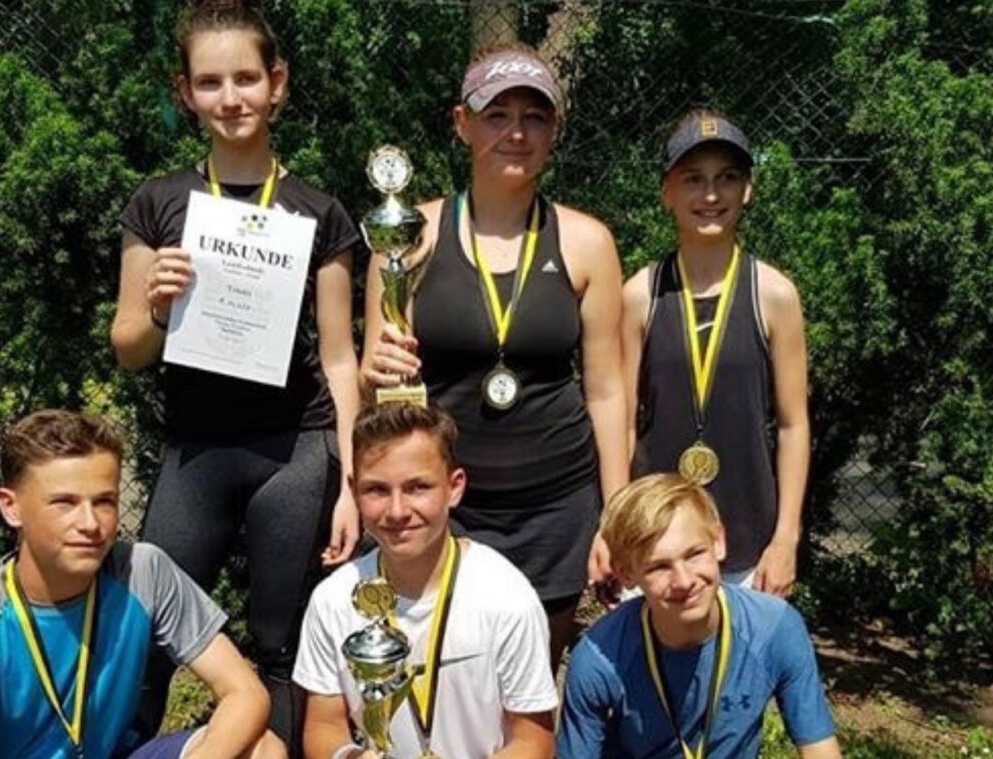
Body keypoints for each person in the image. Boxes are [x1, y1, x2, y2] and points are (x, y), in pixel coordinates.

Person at [110, 0, 360, 747]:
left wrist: (348, 478)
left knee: (282, 644)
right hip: (196, 451)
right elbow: (126, 346)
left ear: (276, 83)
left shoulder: (320, 212)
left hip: (295, 449)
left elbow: (342, 356)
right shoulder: (158, 204)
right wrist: (156, 307)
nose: (232, 98)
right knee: (142, 627)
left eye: (246, 78)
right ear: (186, 93)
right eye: (211, 82)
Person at [360, 42, 627, 665]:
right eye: (496, 114)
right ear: (462, 123)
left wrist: (616, 508)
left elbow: (608, 390)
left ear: (554, 130)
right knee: (436, 671)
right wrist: (377, 373)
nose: (515, 131)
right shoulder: (405, 240)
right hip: (446, 505)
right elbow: (377, 386)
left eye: (534, 116)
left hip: (554, 505)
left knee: (532, 681)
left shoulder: (588, 243)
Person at [0, 409, 284, 759]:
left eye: (105, 501)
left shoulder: (144, 573)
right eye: (64, 503)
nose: (91, 524)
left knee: (263, 750)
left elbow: (245, 694)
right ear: (11, 507)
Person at [293, 403, 559, 759]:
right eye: (377, 490)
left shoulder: (507, 598)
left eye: (418, 487)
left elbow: (534, 741)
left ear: (454, 487)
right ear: (354, 490)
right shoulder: (333, 599)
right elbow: (323, 727)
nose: (398, 511)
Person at [621, 109, 809, 594]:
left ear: (748, 189)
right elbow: (620, 420)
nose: (710, 195)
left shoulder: (774, 295)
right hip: (655, 545)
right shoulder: (641, 294)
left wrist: (786, 537)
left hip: (749, 543)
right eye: (693, 179)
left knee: (739, 668)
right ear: (667, 192)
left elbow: (792, 425)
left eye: (727, 178)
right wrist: (615, 523)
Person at [557, 473, 842, 759]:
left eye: (694, 554)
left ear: (718, 541)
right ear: (627, 574)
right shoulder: (599, 658)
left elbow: (819, 748)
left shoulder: (775, 628)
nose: (683, 580)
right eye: (659, 567)